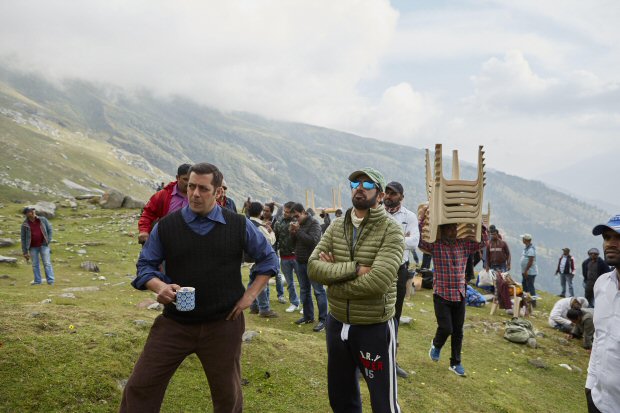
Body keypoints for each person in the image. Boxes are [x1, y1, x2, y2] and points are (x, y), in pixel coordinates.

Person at [120, 162, 279, 413]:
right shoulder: (167, 226)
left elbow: (269, 259)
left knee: (228, 396)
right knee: (140, 386)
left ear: (218, 192)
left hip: (223, 323)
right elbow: (145, 267)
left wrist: (250, 295)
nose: (194, 193)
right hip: (175, 323)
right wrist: (159, 286)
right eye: (191, 186)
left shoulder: (238, 225)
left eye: (203, 189)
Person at [309, 167, 404, 413]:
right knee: (341, 397)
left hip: (374, 326)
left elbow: (378, 282)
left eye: (367, 184)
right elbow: (313, 267)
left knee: (383, 402)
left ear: (381, 195)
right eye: (354, 184)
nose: (359, 188)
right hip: (337, 322)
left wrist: (333, 282)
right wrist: (354, 269)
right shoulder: (336, 226)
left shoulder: (391, 230)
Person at [419, 207, 488, 377]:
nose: (453, 231)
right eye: (449, 228)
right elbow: (421, 242)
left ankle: (455, 363)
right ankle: (436, 345)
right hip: (442, 293)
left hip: (460, 292)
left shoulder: (464, 244)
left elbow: (482, 242)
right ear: (442, 230)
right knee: (446, 327)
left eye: (454, 227)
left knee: (458, 331)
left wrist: (481, 224)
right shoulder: (436, 245)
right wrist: (422, 220)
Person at [384, 180, 420, 379]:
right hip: (377, 267)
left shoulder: (409, 216)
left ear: (401, 197)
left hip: (399, 270)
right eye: (387, 192)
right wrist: (401, 238)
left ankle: (392, 361)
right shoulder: (376, 212)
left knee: (394, 316)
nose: (389, 196)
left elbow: (415, 242)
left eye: (393, 193)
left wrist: (391, 239)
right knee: (372, 312)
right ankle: (366, 360)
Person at [586, 214, 620, 412]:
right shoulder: (602, 285)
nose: (610, 244)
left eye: (618, 238)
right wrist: (590, 385)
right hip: (598, 400)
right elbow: (600, 337)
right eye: (607, 237)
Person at [290, 203, 327, 332]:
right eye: (293, 217)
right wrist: (293, 233)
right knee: (304, 290)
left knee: (318, 291)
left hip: (313, 262)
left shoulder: (314, 224)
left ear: (304, 212)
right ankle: (308, 316)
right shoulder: (299, 225)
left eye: (297, 216)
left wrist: (298, 231)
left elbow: (313, 241)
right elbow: (294, 244)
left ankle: (323, 320)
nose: (296, 219)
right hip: (300, 262)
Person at [138, 163, 191, 244]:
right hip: (164, 240)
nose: (188, 183)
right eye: (185, 179)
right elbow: (148, 213)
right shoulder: (163, 195)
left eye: (191, 180)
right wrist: (144, 231)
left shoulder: (199, 196)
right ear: (177, 178)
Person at [246, 202, 279, 318]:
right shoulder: (260, 226)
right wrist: (271, 231)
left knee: (252, 283)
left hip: (249, 258)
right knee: (261, 284)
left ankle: (253, 307)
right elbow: (270, 241)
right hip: (260, 258)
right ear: (260, 212)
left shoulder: (246, 222)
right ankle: (264, 309)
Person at [274, 201, 301, 313]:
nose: (285, 213)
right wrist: (274, 252)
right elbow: (275, 239)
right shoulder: (278, 222)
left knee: (302, 282)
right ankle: (294, 303)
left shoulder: (298, 222)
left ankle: (305, 304)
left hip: (297, 256)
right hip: (284, 256)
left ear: (293, 212)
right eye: (284, 210)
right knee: (289, 282)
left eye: (288, 212)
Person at [20, 207, 55, 286]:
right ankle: (37, 281)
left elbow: (50, 230)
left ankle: (50, 281)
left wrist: (47, 241)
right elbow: (23, 238)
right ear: (26, 214)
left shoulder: (42, 220)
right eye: (30, 212)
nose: (32, 212)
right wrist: (25, 252)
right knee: (35, 264)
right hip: (32, 247)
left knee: (47, 263)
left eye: (32, 211)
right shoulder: (25, 224)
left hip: (44, 245)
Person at [261, 202, 285, 304]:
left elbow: (282, 207)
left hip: (273, 250)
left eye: (267, 211)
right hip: (262, 250)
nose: (265, 212)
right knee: (264, 274)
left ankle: (280, 296)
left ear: (271, 212)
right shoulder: (260, 219)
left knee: (278, 274)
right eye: (264, 210)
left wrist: (274, 203)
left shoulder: (275, 220)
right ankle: (266, 296)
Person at [520, 233, 538, 307]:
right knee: (525, 285)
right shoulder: (526, 248)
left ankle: (533, 302)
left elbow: (531, 261)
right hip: (525, 271)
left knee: (530, 286)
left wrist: (526, 270)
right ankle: (526, 300)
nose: (522, 240)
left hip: (530, 272)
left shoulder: (531, 249)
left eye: (523, 238)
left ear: (526, 240)